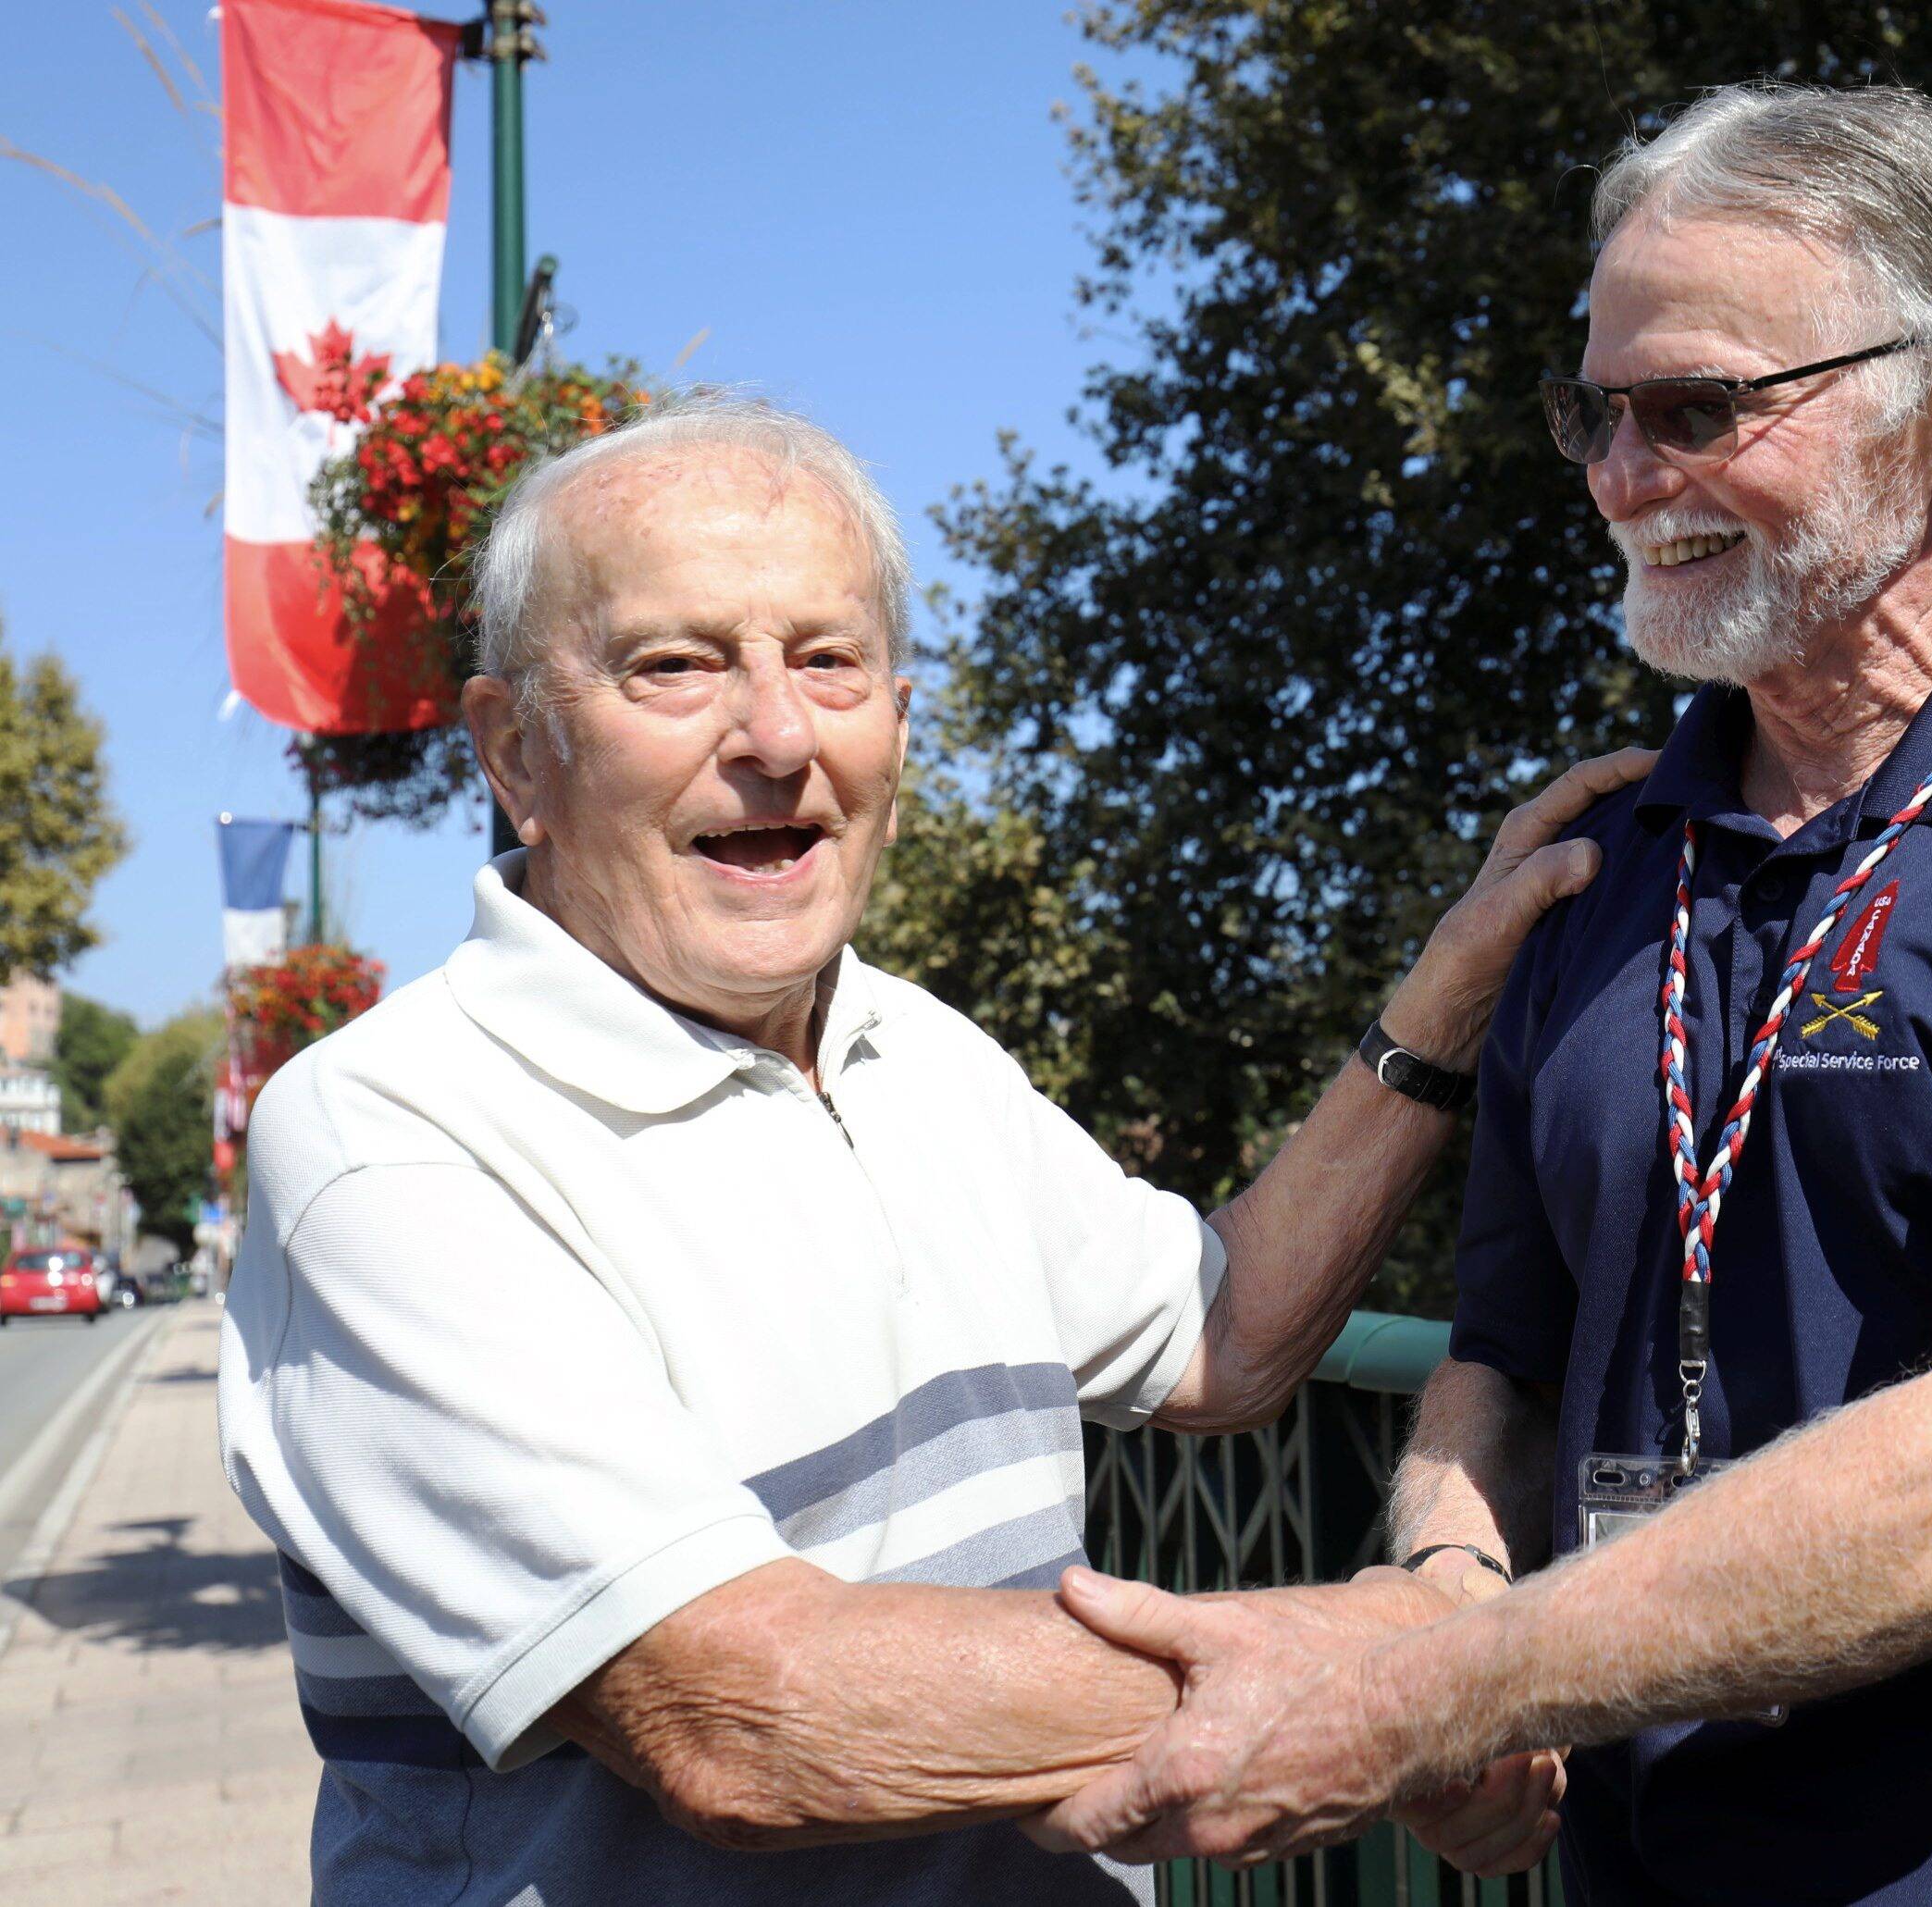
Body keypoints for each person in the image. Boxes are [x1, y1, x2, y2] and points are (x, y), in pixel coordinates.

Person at [1038, 82, 1932, 1904]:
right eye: (1595, 414)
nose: (1623, 477)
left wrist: (1415, 1687)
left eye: (1696, 408)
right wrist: (1453, 1587)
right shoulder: (1602, 858)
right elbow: (1501, 1369)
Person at [217, 392, 1644, 1903]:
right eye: (677, 664)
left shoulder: (915, 1049)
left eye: (827, 661)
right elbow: (740, 1710)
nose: (774, 735)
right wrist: (1396, 1683)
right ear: (517, 752)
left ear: (898, 720)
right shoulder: (392, 1137)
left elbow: (1220, 1334)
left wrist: (1451, 989)